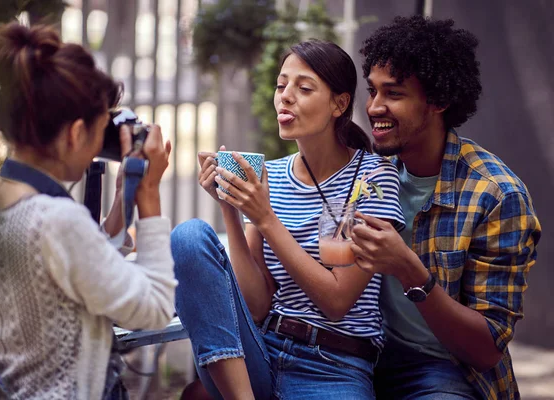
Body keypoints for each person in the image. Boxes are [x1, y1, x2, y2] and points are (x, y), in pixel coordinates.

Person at [171, 39, 405, 400]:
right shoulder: (271, 177)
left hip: (334, 365)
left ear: (339, 104)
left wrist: (265, 218)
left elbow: (337, 301)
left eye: (304, 87)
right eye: (281, 86)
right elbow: (257, 304)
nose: (285, 96)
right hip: (257, 356)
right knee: (189, 236)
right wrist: (231, 209)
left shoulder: (372, 178)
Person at [0, 23, 176, 399]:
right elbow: (153, 308)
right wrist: (149, 197)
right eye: (99, 128)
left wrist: (122, 205)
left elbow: (70, 276)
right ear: (75, 133)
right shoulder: (55, 221)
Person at [349, 15, 541, 400]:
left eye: (394, 94)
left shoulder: (497, 194)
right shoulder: (367, 171)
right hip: (362, 355)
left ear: (437, 100)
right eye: (372, 91)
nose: (374, 107)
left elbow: (486, 349)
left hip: (444, 369)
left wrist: (407, 268)